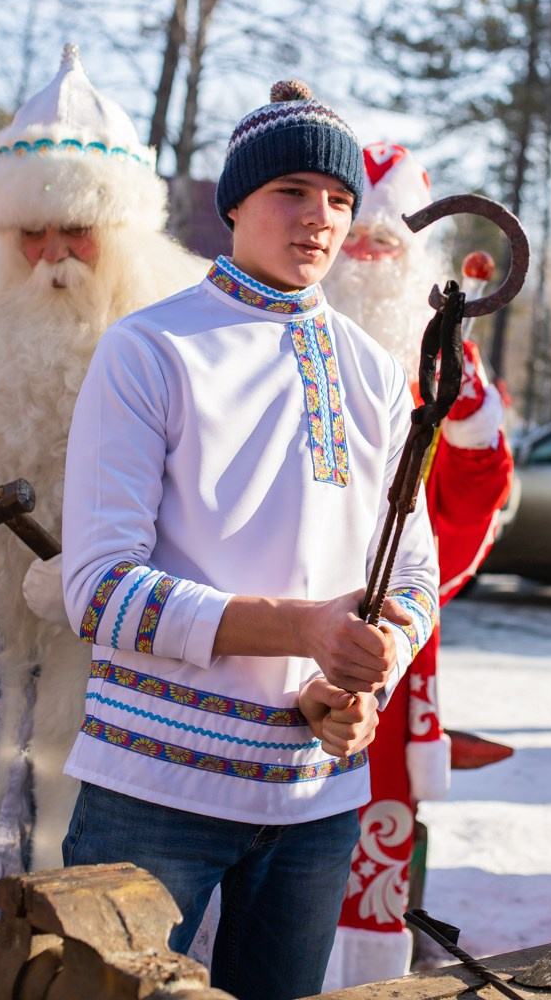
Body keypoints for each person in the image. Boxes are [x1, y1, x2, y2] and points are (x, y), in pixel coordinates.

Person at [58, 80, 440, 1000]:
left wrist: (369, 660)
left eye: (341, 199)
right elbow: (99, 591)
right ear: (235, 201)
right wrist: (304, 626)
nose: (321, 218)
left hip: (318, 795)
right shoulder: (149, 349)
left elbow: (414, 570)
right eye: (293, 191)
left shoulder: (376, 373)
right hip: (155, 789)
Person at [0, 43, 208, 1000]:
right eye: (29, 233)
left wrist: (99, 588)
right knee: (12, 851)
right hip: (20, 662)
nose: (48, 256)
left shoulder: (178, 338)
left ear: (118, 231)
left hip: (142, 683)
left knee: (114, 887)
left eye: (74, 231)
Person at [322, 141, 514, 987]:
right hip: (265, 609)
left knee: (373, 790)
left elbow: (471, 493)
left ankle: (361, 969)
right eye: (353, 237)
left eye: (385, 242)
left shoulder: (432, 362)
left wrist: (466, 410)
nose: (365, 256)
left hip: (376, 628)